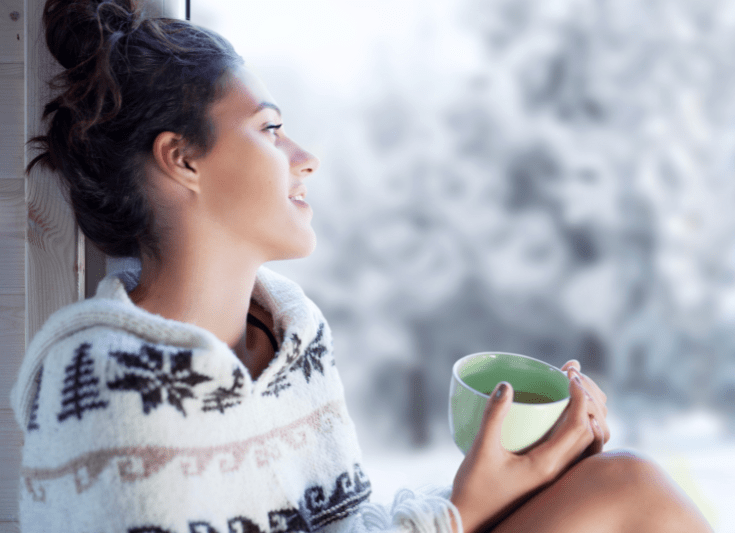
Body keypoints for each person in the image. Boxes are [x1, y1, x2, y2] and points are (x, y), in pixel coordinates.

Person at [11, 0, 713, 532]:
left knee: (623, 485)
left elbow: (346, 523)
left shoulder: (292, 333)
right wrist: (463, 508)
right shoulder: (104, 384)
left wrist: (517, 475)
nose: (304, 156)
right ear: (183, 159)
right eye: (269, 128)